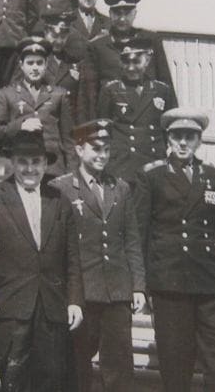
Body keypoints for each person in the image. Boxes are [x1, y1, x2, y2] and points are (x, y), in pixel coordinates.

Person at [134, 108, 215, 392]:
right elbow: (139, 232)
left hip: (211, 281)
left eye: (189, 137)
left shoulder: (214, 176)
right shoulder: (152, 176)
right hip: (170, 282)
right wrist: (140, 285)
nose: (183, 143)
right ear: (168, 139)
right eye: (177, 136)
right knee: (175, 361)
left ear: (199, 141)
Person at [0, 130, 84, 391]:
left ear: (45, 164)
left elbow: (72, 257)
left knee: (51, 379)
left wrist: (74, 301)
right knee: (14, 379)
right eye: (23, 162)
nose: (29, 169)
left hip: (52, 308)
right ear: (12, 163)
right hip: (11, 306)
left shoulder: (59, 200)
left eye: (36, 162)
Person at [50, 119, 146, 392]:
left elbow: (131, 240)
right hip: (83, 291)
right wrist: (69, 295)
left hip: (117, 291)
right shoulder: (62, 188)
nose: (102, 155)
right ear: (79, 150)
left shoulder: (121, 188)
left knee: (119, 367)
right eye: (95, 149)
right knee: (77, 365)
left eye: (106, 149)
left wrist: (138, 285)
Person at [81, 0, 177, 120]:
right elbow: (90, 94)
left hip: (148, 117)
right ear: (110, 14)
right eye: (117, 13)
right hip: (115, 119)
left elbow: (166, 83)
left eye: (127, 13)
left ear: (135, 14)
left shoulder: (151, 40)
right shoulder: (97, 46)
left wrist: (174, 122)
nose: (122, 18)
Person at [0, 36, 75, 178]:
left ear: (46, 64)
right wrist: (20, 126)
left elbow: (69, 139)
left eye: (39, 63)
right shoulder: (7, 94)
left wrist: (72, 172)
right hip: (20, 166)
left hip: (53, 168)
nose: (35, 68)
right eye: (30, 63)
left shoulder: (58, 94)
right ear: (21, 65)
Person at [96, 37, 176, 184]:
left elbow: (171, 128)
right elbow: (103, 129)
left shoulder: (161, 90)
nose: (131, 67)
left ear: (147, 61)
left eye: (136, 61)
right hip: (121, 165)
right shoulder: (111, 90)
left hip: (153, 162)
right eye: (126, 62)